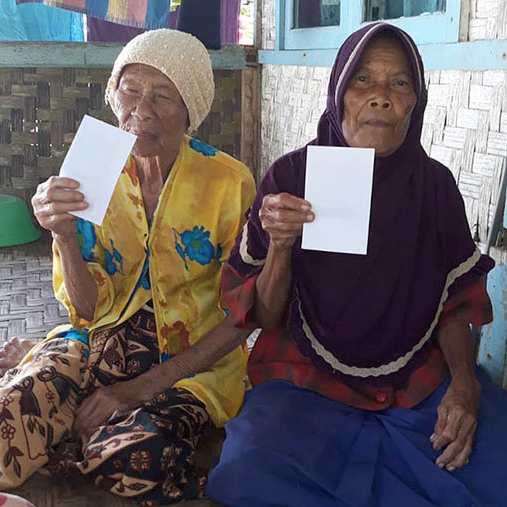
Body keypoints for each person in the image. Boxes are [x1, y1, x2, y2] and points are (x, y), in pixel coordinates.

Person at [206, 23, 507, 506]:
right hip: (307, 380)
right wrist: (280, 246)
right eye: (363, 79)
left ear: (416, 103)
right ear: (338, 93)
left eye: (399, 83)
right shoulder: (292, 177)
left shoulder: (434, 187)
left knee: (496, 464)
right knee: (247, 469)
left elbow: (455, 301)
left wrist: (464, 385)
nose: (380, 97)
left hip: (418, 382)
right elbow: (263, 315)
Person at [0, 29, 255, 505]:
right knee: (6, 421)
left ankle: (75, 439)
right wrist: (62, 236)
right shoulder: (94, 171)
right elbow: (85, 311)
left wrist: (138, 390)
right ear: (112, 94)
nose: (141, 110)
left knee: (135, 457)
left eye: (163, 96)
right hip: (96, 342)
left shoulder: (228, 184)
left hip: (188, 362)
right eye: (130, 90)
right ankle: (67, 415)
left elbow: (246, 315)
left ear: (192, 110)